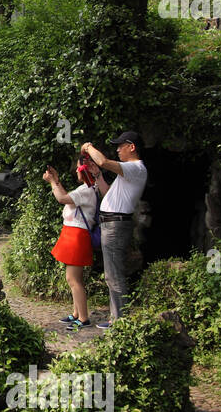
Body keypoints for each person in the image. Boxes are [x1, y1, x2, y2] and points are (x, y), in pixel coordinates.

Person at [81, 130, 148, 326]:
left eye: (121, 145)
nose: (117, 149)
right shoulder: (129, 172)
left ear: (132, 147)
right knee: (112, 272)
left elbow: (102, 161)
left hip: (116, 225)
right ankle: (117, 318)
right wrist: (98, 176)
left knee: (114, 273)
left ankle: (120, 322)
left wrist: (88, 147)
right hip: (112, 223)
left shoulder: (136, 168)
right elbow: (108, 193)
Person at [42, 159, 100, 331]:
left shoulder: (86, 190)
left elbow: (62, 198)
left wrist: (52, 182)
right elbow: (68, 198)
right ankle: (76, 313)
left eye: (77, 168)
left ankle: (83, 318)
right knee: (75, 278)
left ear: (84, 171)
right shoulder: (89, 189)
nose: (76, 171)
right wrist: (57, 181)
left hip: (76, 236)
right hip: (72, 234)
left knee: (73, 279)